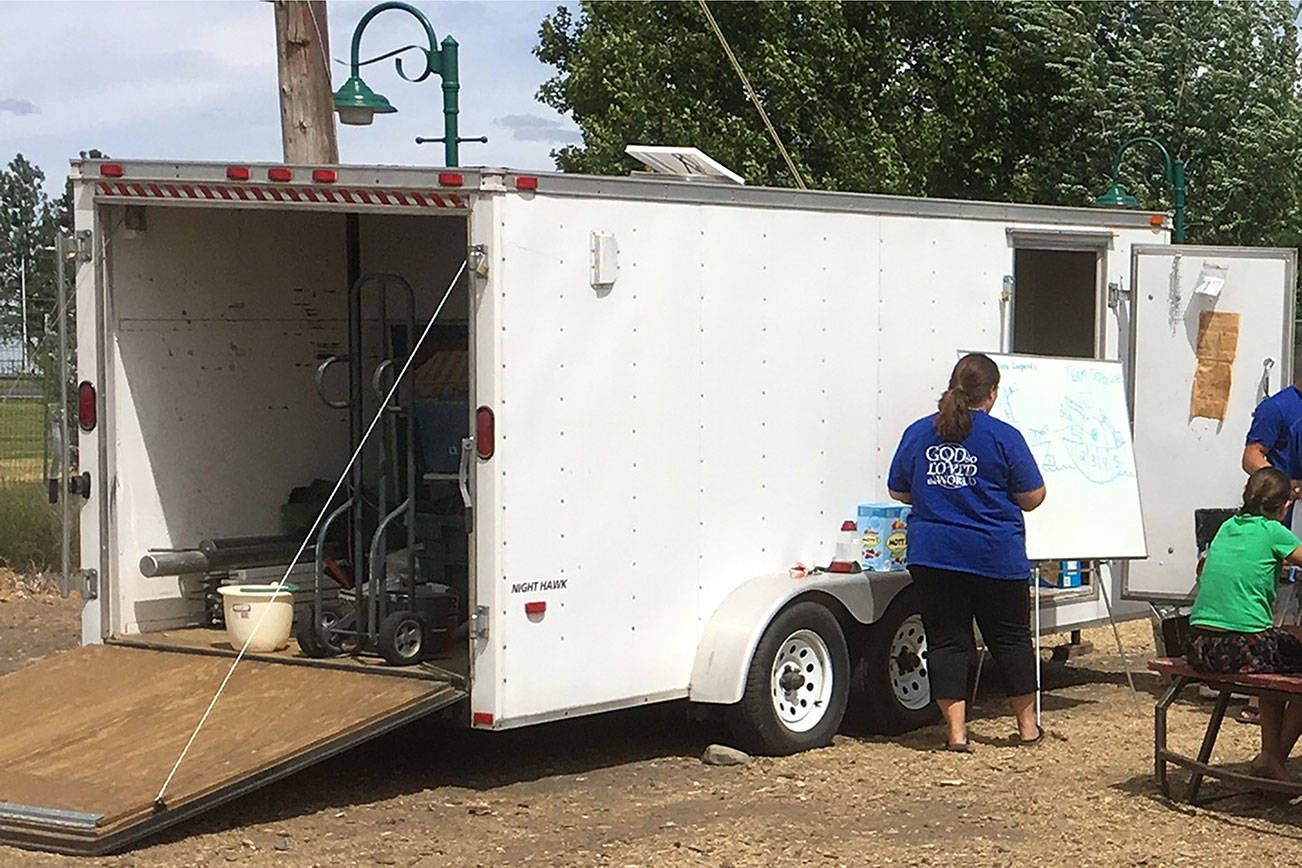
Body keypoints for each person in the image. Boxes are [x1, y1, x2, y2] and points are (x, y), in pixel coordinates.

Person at [887, 353, 1047, 752]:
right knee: (1010, 641)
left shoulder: (919, 432)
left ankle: (956, 734)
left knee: (947, 642)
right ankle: (1028, 729)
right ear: (991, 394)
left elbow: (898, 490)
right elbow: (1033, 496)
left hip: (935, 556)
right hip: (995, 555)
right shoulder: (1004, 436)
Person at [1186, 466, 1302, 781]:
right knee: (1286, 659)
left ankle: (1271, 757)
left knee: (1279, 650)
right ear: (1285, 506)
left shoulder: (1227, 527)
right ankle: (1273, 757)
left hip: (1200, 645)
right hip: (1240, 647)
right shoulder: (1273, 531)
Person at [1237, 379, 1302, 723]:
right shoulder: (1277, 408)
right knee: (1276, 604)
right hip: (1279, 519)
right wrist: (1286, 489)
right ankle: (1256, 699)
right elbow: (1251, 456)